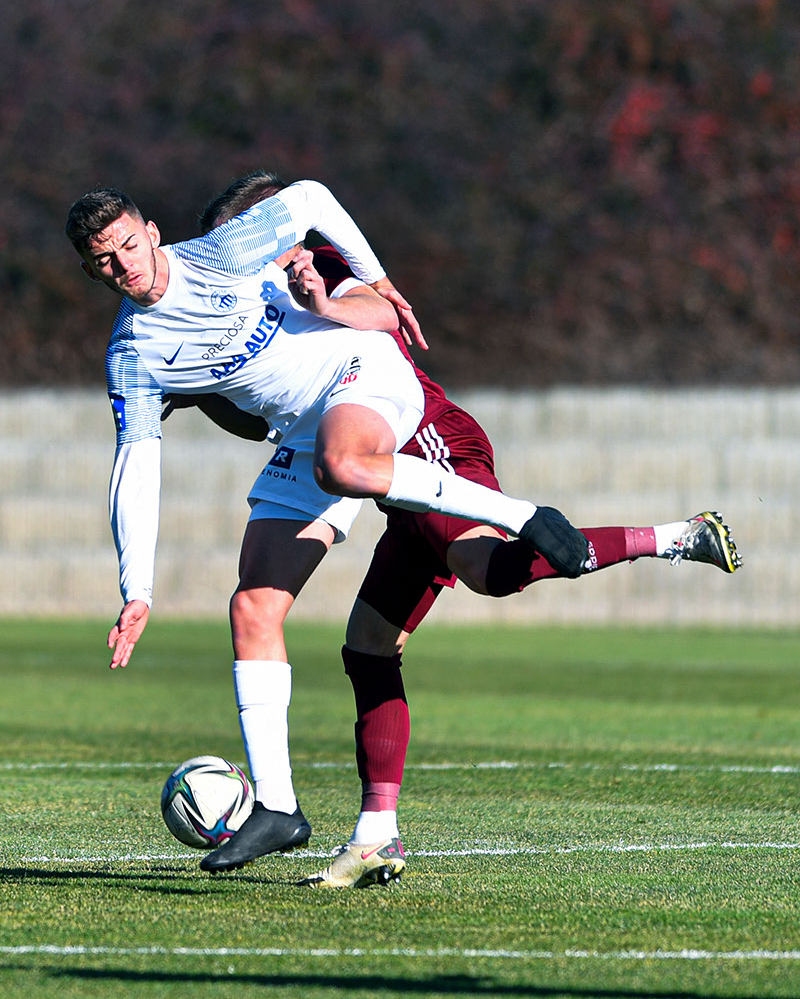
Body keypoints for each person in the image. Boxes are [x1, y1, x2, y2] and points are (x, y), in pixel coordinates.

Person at [169, 184, 742, 886]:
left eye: (238, 240)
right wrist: (195, 390)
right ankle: (376, 836)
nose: (227, 258)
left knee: (488, 570)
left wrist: (322, 300)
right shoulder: (245, 305)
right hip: (387, 481)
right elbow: (259, 415)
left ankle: (677, 536)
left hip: (429, 440)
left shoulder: (322, 263)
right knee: (368, 646)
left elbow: (383, 314)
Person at [65, 172, 594, 871]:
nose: (124, 266)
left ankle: (522, 515)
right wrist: (138, 589)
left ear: (152, 232)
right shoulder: (133, 354)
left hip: (361, 370)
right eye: (104, 261)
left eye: (129, 245)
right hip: (304, 429)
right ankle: (278, 808)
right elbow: (136, 462)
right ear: (91, 271)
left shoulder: (221, 252)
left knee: (342, 464)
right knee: (254, 607)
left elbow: (311, 197)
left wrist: (378, 283)